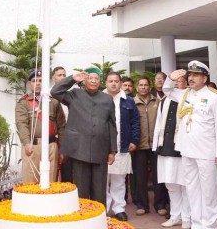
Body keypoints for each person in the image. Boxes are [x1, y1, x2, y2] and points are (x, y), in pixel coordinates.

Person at [164, 61, 217, 229]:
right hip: (186, 149)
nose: (191, 78)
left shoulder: (215, 96)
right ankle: (197, 224)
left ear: (204, 78)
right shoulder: (185, 94)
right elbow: (167, 90)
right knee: (192, 189)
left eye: (195, 75)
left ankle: (210, 225)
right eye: (189, 75)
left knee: (209, 192)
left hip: (206, 151)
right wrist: (171, 78)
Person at [51, 67, 117, 207]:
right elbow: (55, 91)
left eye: (96, 78)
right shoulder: (75, 95)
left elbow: (112, 125)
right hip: (80, 149)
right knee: (81, 189)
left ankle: (98, 220)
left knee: (99, 189)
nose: (93, 81)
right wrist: (72, 78)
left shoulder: (107, 99)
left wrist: (112, 150)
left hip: (101, 149)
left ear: (100, 81)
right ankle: (83, 219)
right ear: (84, 80)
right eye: (90, 78)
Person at [153, 73, 191, 229]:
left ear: (186, 84)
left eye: (179, 82)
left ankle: (187, 217)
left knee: (185, 185)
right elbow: (158, 125)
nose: (175, 85)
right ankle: (175, 216)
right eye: (173, 83)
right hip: (166, 146)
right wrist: (156, 145)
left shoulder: (189, 100)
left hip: (183, 148)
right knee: (171, 184)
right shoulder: (164, 101)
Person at [15, 69, 65, 183]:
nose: (38, 83)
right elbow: (21, 124)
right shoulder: (23, 102)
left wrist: (63, 148)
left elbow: (62, 126)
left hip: (51, 146)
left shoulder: (53, 101)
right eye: (34, 81)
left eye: (41, 80)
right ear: (29, 84)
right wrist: (27, 143)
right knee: (30, 182)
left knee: (51, 182)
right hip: (32, 146)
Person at [104, 72, 140, 221]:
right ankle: (104, 208)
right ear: (105, 83)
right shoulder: (98, 98)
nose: (113, 83)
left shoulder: (128, 100)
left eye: (116, 81)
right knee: (102, 180)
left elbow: (135, 122)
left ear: (120, 83)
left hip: (122, 145)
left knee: (119, 180)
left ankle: (119, 208)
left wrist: (134, 140)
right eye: (110, 81)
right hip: (103, 147)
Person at [132, 76, 168, 216]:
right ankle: (142, 205)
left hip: (155, 145)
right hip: (139, 145)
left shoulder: (158, 102)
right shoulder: (131, 103)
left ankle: (160, 204)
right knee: (140, 177)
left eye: (146, 85)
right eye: (141, 85)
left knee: (158, 176)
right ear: (137, 87)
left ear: (149, 86)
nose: (143, 87)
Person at [51, 66, 73, 183]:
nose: (63, 77)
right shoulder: (48, 96)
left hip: (69, 138)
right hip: (54, 139)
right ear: (53, 78)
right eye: (60, 75)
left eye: (64, 75)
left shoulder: (70, 95)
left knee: (67, 171)